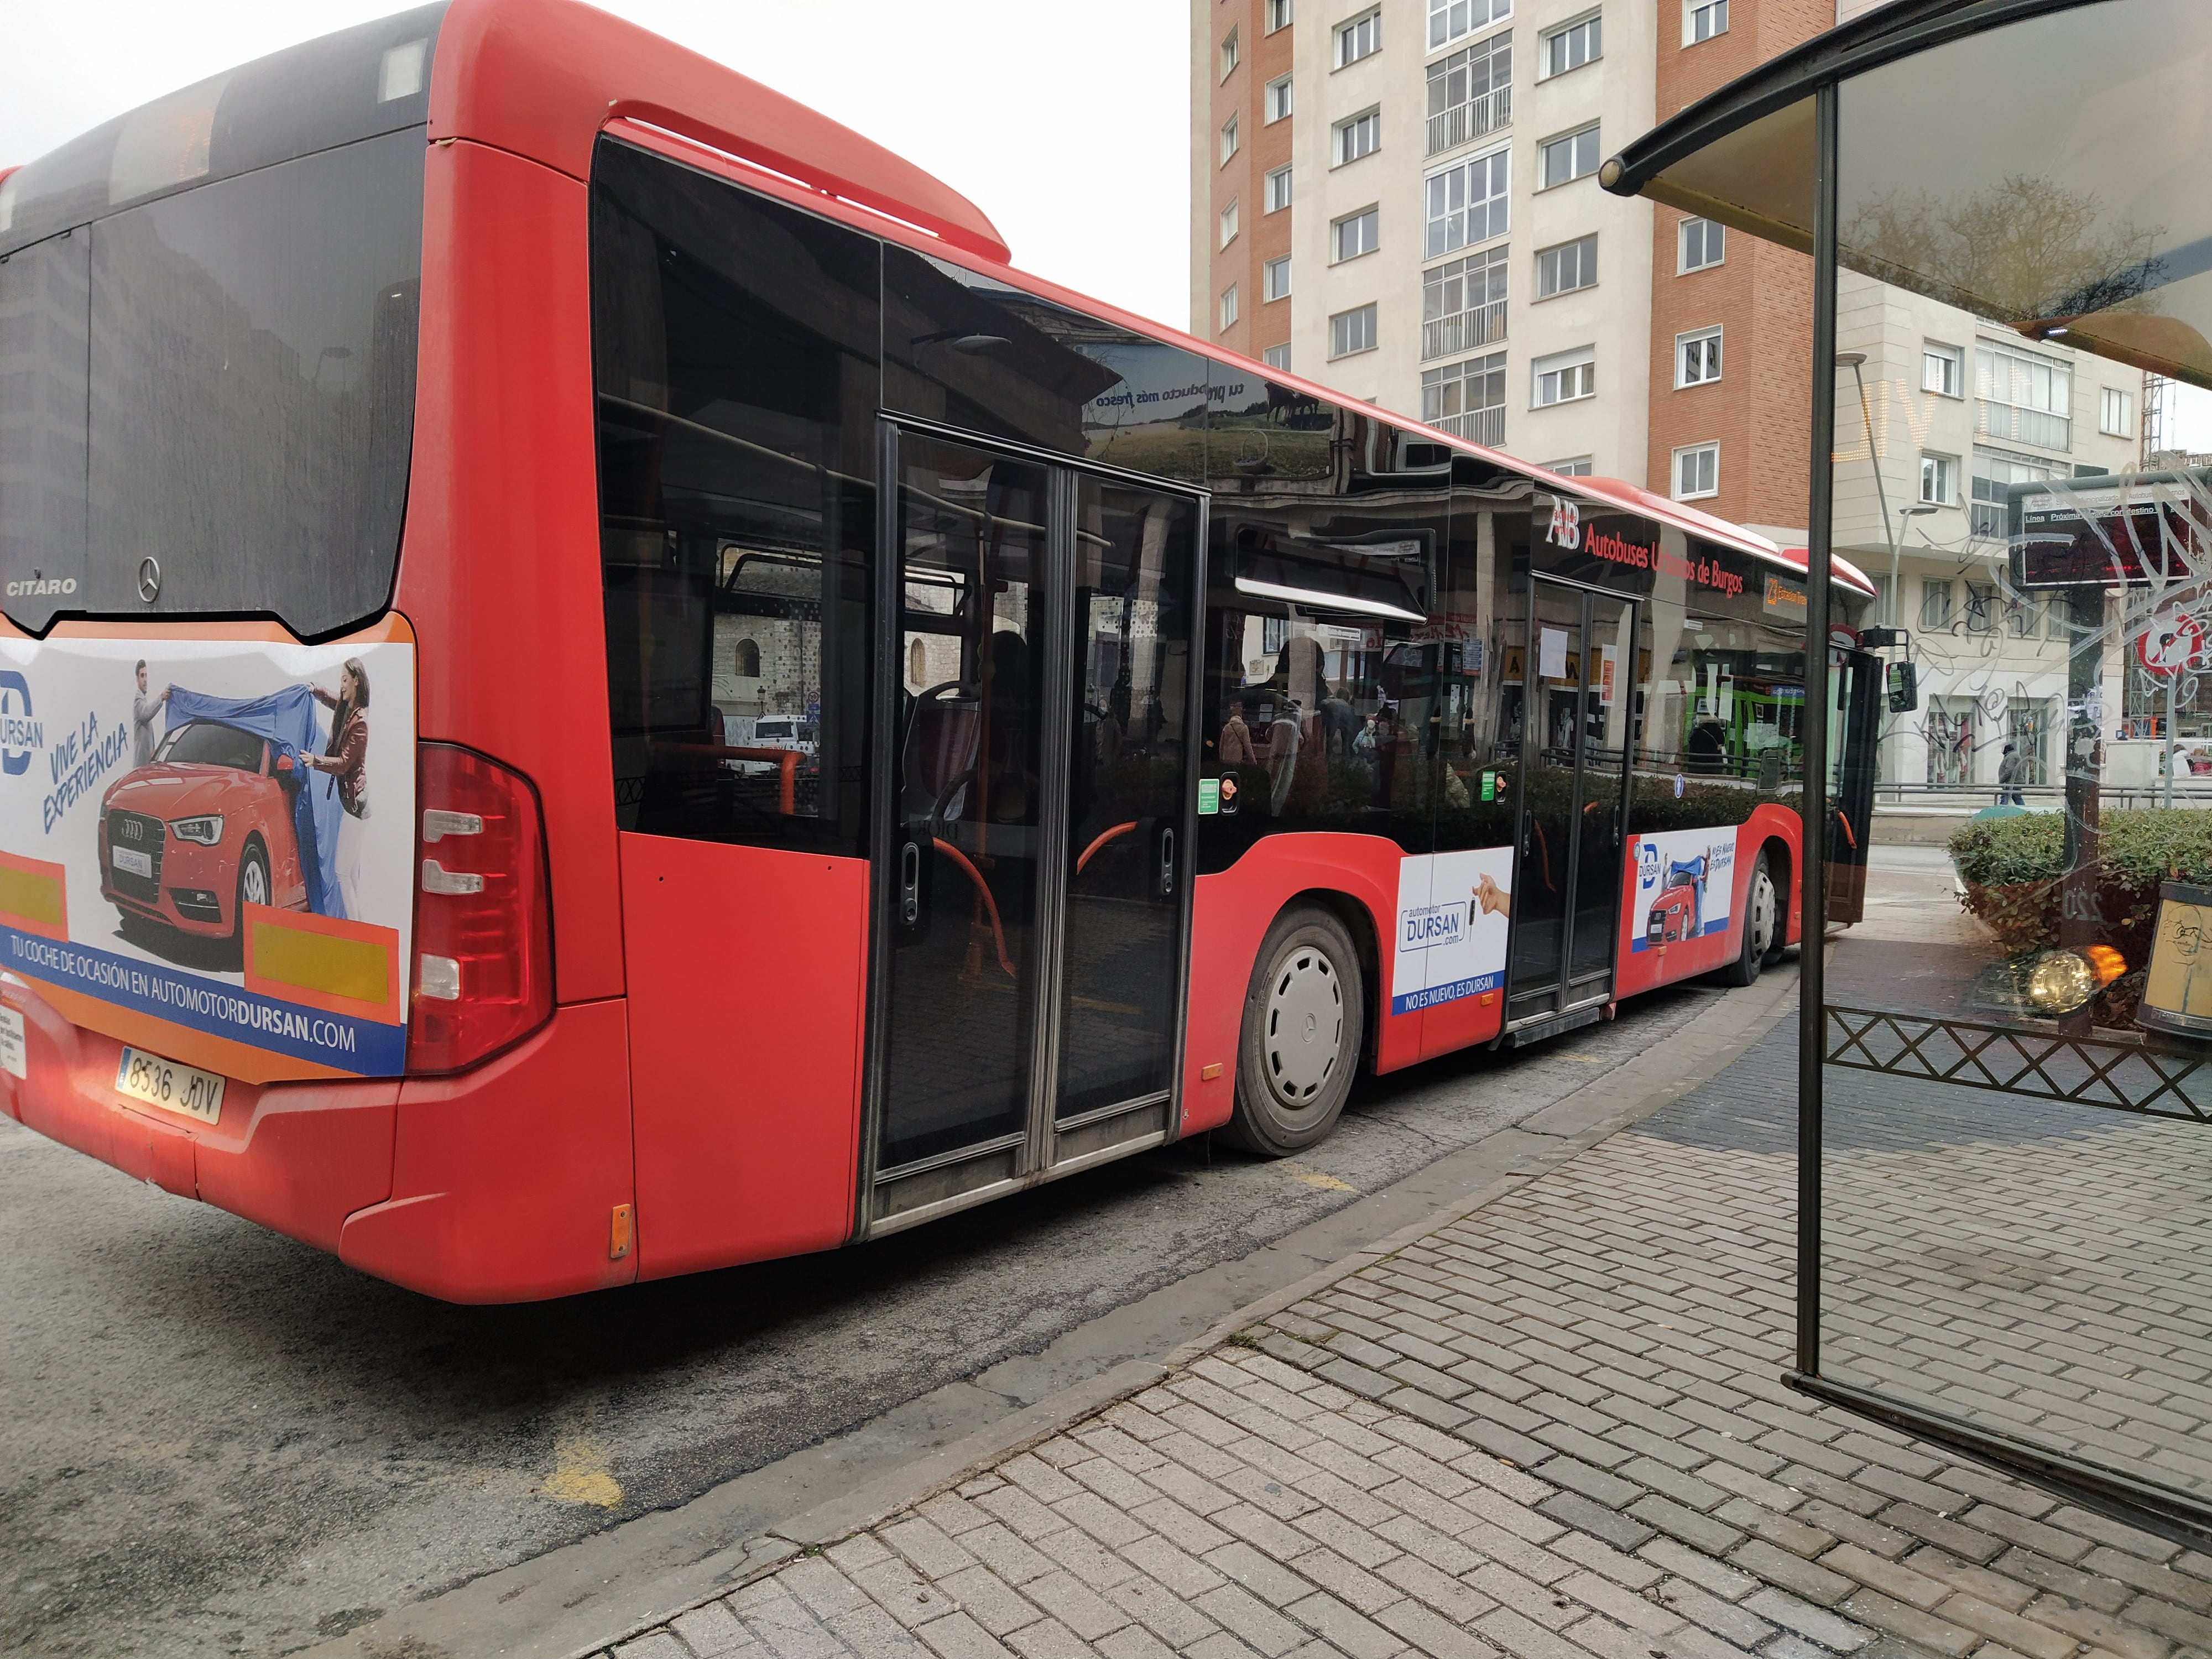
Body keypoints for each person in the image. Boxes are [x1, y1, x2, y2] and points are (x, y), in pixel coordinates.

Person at [305, 659, 371, 919]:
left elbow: (344, 764)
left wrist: (315, 760)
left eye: (345, 680)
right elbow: (335, 702)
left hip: (357, 807)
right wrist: (316, 689)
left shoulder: (360, 722)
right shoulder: (349, 710)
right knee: (352, 874)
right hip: (355, 804)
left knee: (342, 872)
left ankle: (357, 934)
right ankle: (361, 928)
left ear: (356, 680)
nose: (341, 686)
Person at [131, 661, 170, 768]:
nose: (145, 680)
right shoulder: (138, 700)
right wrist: (161, 698)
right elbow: (146, 714)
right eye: (142, 676)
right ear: (137, 679)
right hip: (141, 765)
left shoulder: (142, 699)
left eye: (146, 675)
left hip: (144, 764)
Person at [1218, 700, 1258, 766]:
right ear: (1241, 715)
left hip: (1226, 761)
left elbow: (1221, 747)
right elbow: (1248, 747)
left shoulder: (1226, 728)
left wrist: (1222, 759)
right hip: (1237, 761)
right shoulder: (1244, 728)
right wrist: (1253, 760)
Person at [1997, 742, 2025, 806]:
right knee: (2016, 798)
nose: (2002, 751)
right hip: (2013, 783)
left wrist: (2002, 779)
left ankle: (2002, 812)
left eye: (2003, 749)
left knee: (2006, 799)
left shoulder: (2011, 756)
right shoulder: (2012, 755)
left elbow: (2009, 770)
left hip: (2011, 783)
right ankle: (2023, 812)